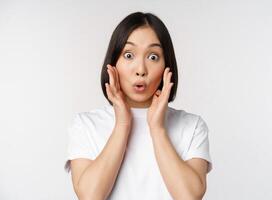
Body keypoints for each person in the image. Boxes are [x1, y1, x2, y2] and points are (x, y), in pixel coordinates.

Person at [64, 11, 213, 200]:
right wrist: (122, 126)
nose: (141, 70)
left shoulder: (192, 126)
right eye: (128, 55)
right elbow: (90, 196)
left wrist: (157, 129)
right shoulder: (85, 125)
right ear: (113, 64)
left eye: (153, 57)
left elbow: (190, 197)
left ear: (167, 67)